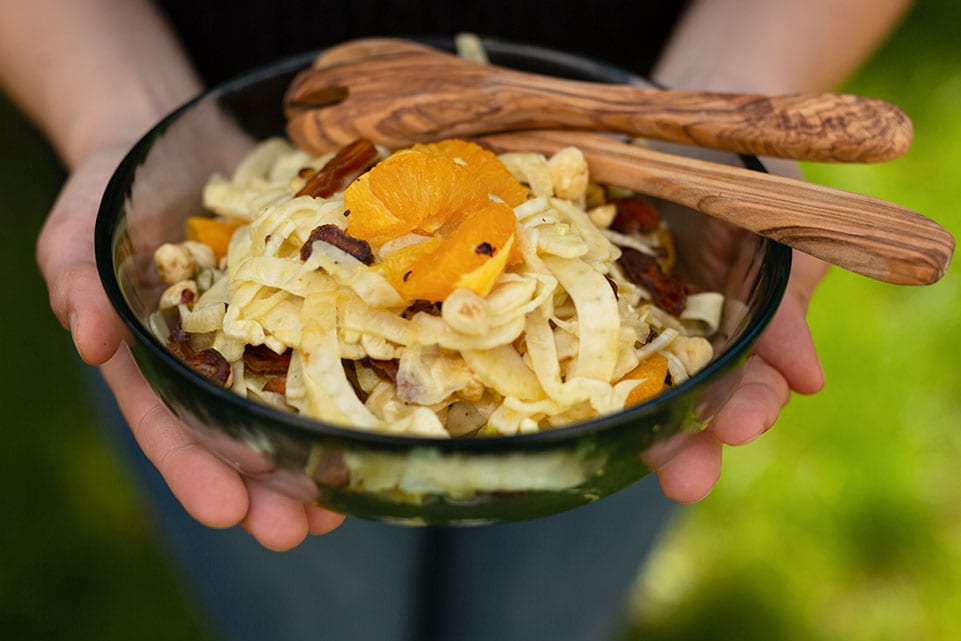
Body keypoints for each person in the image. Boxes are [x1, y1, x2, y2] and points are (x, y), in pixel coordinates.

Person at [0, 1, 912, 639]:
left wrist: (735, 86)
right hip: (199, 148)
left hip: (596, 362)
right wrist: (120, 106)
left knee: (544, 617)